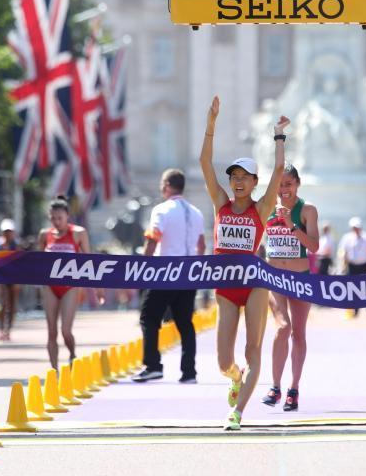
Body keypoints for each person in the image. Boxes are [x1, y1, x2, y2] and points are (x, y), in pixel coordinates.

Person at [200, 95, 288, 431]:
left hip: (253, 286)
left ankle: (237, 411)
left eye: (244, 176)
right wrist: (211, 126)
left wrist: (279, 136)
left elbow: (279, 170)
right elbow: (205, 165)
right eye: (234, 175)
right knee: (224, 361)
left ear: (254, 182)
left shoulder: (261, 209)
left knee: (253, 350)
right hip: (225, 288)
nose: (237, 181)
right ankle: (234, 378)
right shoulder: (220, 202)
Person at [132, 168, 206, 384]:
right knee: (185, 323)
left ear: (166, 185)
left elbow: (152, 239)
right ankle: (189, 372)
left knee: (149, 317)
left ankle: (153, 365)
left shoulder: (161, 210)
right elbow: (201, 245)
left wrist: (144, 267)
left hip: (165, 272)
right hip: (188, 273)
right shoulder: (196, 212)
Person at [261, 164, 319, 412]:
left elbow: (314, 246)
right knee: (282, 328)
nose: (283, 189)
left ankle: (293, 388)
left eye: (288, 184)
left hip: (300, 278)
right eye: (279, 185)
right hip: (275, 278)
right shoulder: (265, 210)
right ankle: (275, 386)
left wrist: (291, 225)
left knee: (299, 333)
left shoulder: (307, 210)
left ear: (297, 184)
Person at [38, 196, 92, 370]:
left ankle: (72, 354)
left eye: (59, 218)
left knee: (65, 331)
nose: (56, 221)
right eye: (53, 218)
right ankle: (54, 372)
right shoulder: (44, 235)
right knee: (51, 331)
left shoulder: (78, 233)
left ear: (67, 216)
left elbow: (90, 262)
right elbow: (36, 262)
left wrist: (97, 288)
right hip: (50, 286)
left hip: (70, 286)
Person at [338, 217, 366, 317]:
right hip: (352, 265)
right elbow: (343, 252)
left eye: (357, 227)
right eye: (354, 227)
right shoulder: (347, 238)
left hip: (364, 265)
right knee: (353, 289)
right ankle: (355, 310)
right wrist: (343, 264)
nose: (356, 229)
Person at [0, 218, 21, 342]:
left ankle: (8, 330)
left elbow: (22, 262)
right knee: (4, 304)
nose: (8, 233)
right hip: (1, 278)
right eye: (5, 231)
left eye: (10, 231)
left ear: (13, 232)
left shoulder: (17, 245)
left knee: (13, 305)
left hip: (14, 278)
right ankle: (1, 330)